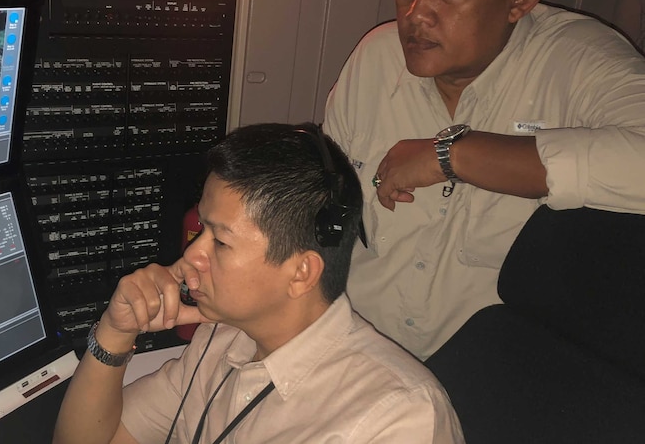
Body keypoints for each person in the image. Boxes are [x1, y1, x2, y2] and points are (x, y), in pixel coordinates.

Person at [324, 0, 645, 361]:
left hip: (488, 379)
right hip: (353, 350)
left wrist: (453, 155)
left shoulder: (580, 61)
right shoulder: (376, 57)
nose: (416, 11)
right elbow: (324, 203)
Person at [52, 123, 464, 444]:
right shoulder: (224, 339)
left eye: (220, 240)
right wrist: (115, 332)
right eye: (201, 232)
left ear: (301, 272)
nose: (192, 256)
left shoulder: (399, 420)